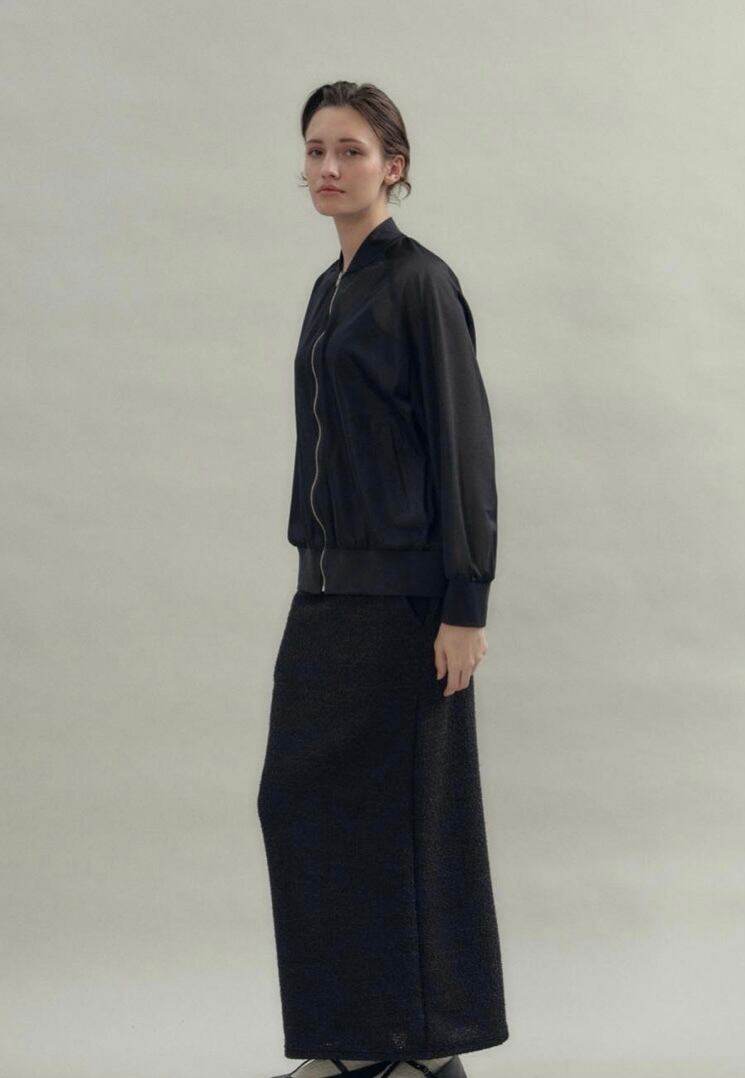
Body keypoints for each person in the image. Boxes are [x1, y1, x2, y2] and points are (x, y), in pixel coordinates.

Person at [258, 81, 509, 1078]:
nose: (327, 167)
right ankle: (352, 1037)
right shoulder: (331, 287)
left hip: (405, 598)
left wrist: (464, 603)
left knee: (406, 818)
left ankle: (418, 1051)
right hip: (325, 590)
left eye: (350, 151)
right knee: (304, 806)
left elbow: (462, 449)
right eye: (315, 150)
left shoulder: (419, 283)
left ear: (392, 167)